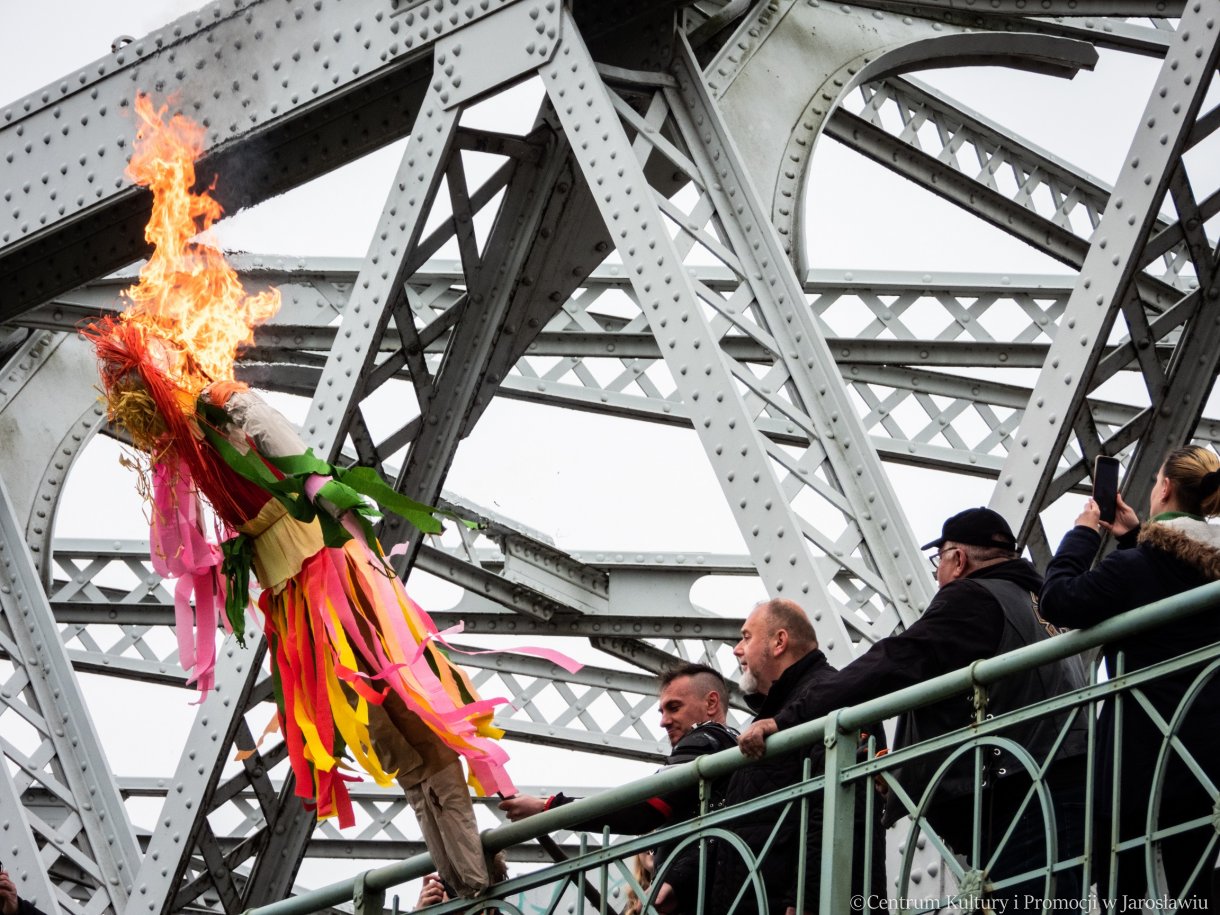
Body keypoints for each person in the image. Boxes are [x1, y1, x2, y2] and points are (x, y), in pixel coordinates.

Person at [739, 508, 1088, 913]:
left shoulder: (973, 597)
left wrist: (787, 719)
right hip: (1062, 779)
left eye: (939, 560)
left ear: (957, 560)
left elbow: (895, 660)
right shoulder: (1040, 608)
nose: (937, 574)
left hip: (1015, 794)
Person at [1040, 445, 1220, 909]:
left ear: (1163, 488)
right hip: (1206, 756)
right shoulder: (1208, 571)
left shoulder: (1136, 568)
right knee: (1195, 885)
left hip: (1142, 756)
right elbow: (1169, 575)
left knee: (1122, 888)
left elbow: (1058, 600)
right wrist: (1134, 535)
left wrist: (1083, 534)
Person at [498, 663, 739, 912]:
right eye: (661, 711)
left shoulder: (704, 741)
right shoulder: (730, 748)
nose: (664, 722)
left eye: (674, 707)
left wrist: (547, 807)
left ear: (711, 703)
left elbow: (643, 807)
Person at [710, 599, 886, 915]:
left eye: (747, 636)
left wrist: (810, 899)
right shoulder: (780, 711)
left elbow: (844, 807)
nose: (737, 650)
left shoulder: (829, 699)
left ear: (779, 642)